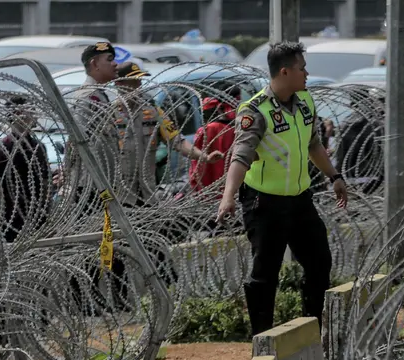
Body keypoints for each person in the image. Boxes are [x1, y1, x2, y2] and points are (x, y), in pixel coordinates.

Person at [216, 41, 349, 335]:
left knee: (319, 263)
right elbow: (240, 156)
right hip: (264, 203)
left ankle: (310, 329)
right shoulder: (256, 110)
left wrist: (334, 176)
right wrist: (228, 198)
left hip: (300, 200)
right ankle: (262, 339)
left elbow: (314, 145)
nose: (307, 73)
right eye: (302, 68)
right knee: (266, 273)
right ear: (285, 71)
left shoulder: (305, 103)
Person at [113, 61, 223, 205]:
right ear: (119, 84)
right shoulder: (109, 115)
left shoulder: (153, 112)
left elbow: (177, 141)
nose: (138, 86)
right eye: (133, 82)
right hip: (118, 194)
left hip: (147, 193)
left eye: (139, 80)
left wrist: (204, 157)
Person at [0, 96, 51, 243]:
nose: (34, 114)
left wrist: (48, 214)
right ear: (17, 113)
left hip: (37, 216)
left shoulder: (39, 147)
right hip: (10, 218)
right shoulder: (0, 150)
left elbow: (45, 184)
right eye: (30, 110)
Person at [189, 96, 236, 193]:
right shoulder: (239, 129)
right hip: (233, 185)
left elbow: (195, 165)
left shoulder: (207, 130)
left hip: (209, 189)